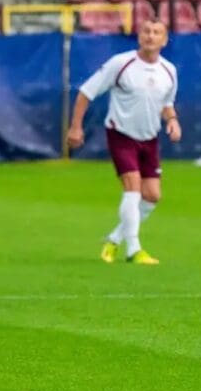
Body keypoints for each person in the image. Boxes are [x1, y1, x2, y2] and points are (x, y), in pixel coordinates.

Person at [67, 18, 181, 265]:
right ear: (139, 36)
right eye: (146, 31)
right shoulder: (121, 64)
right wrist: (76, 127)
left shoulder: (169, 71)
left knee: (152, 196)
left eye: (156, 32)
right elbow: (86, 91)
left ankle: (114, 239)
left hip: (149, 137)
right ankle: (134, 249)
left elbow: (167, 103)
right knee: (133, 187)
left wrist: (172, 120)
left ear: (164, 39)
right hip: (121, 134)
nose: (150, 36)